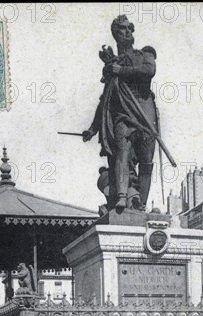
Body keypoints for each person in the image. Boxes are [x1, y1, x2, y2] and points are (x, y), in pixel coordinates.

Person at [83, 15, 158, 211]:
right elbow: (105, 99)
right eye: (123, 29)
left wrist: (121, 70)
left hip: (144, 110)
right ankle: (122, 197)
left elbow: (149, 71)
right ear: (115, 35)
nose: (128, 32)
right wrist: (92, 129)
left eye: (130, 29)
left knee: (146, 161)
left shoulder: (145, 54)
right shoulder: (111, 67)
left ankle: (140, 203)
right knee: (121, 154)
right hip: (123, 113)